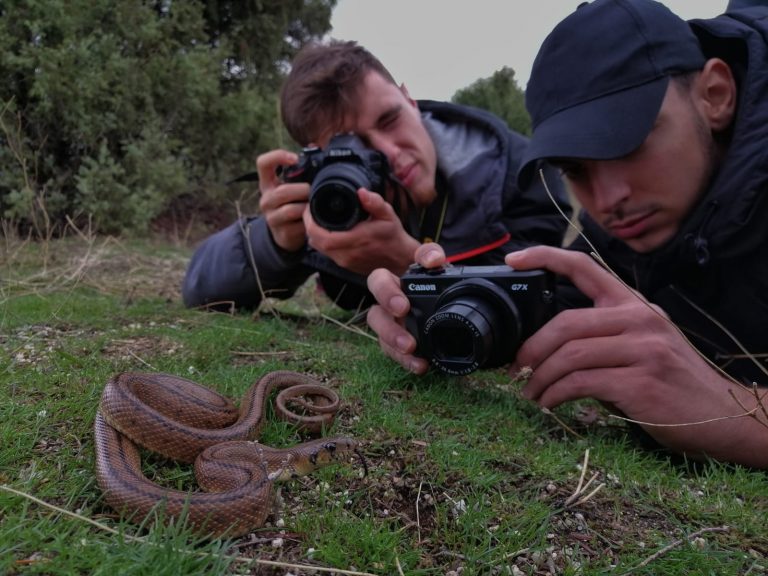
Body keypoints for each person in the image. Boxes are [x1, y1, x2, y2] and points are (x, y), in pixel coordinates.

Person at [366, 0, 768, 468]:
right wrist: (439, 306)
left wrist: (733, 412)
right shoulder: (617, 235)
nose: (608, 198)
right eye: (575, 169)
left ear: (714, 95)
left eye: (632, 144)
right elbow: (552, 318)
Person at [182, 41, 571, 313]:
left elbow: (544, 299)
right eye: (356, 148)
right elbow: (200, 290)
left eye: (390, 119)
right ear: (318, 158)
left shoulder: (522, 170)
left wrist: (409, 266)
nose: (389, 152)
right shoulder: (328, 198)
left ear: (409, 99)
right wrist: (274, 243)